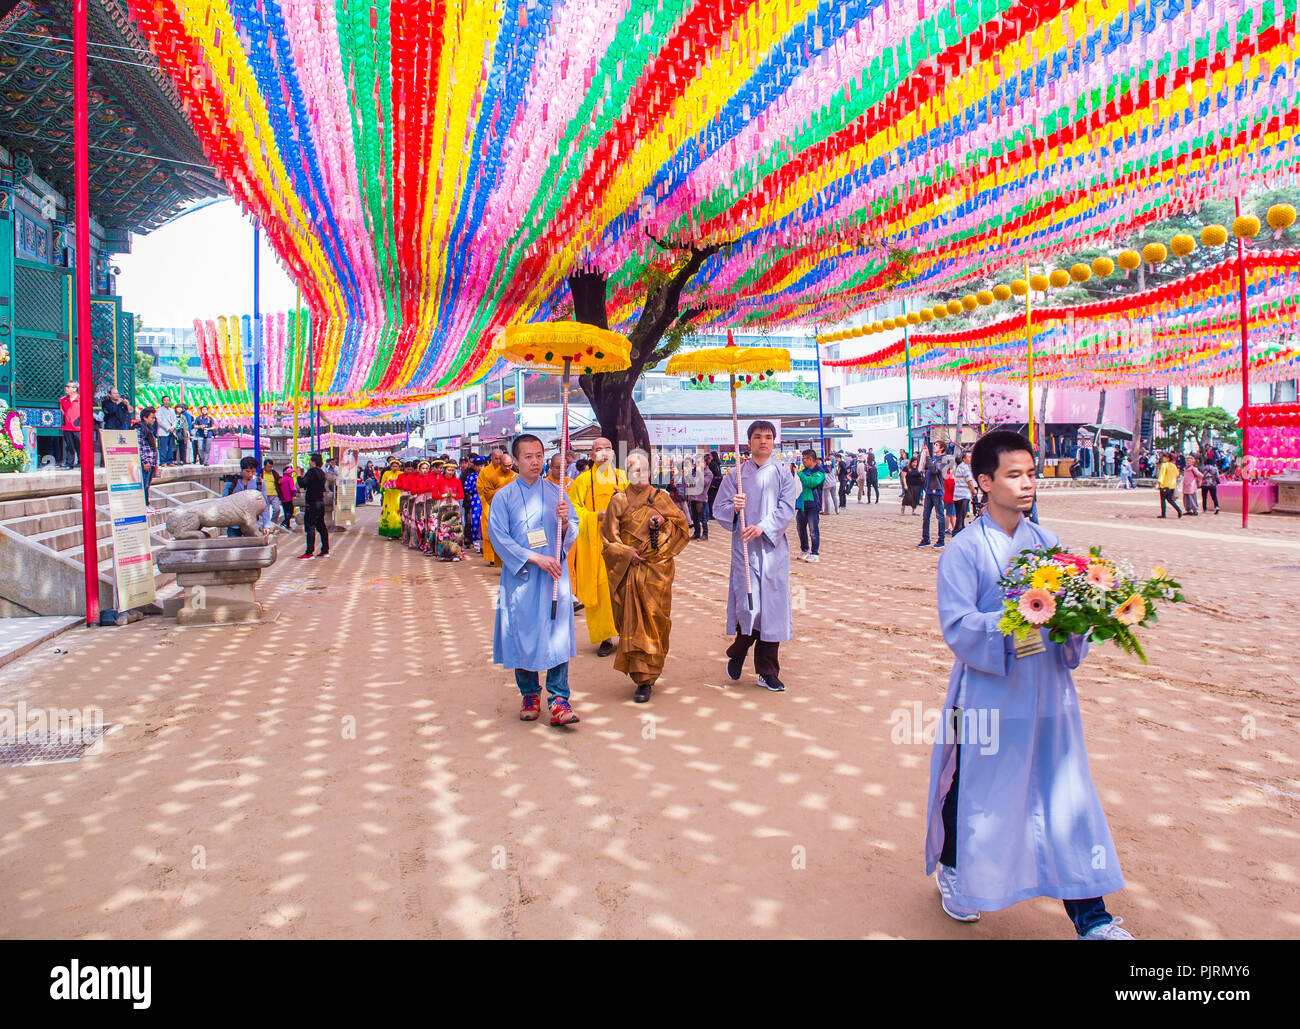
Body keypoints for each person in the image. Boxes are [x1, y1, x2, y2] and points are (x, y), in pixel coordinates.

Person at [926, 430, 1131, 939]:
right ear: (985, 482)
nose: (1027, 485)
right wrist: (1016, 620)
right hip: (989, 692)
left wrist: (1083, 615)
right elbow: (957, 625)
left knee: (1064, 791)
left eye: (1032, 474)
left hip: (1048, 688)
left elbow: (1067, 618)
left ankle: (1093, 918)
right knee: (974, 788)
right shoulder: (963, 551)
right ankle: (953, 869)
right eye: (1014, 475)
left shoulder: (1048, 545)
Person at [489, 434, 582, 727]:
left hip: (554, 576)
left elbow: (573, 530)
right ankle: (529, 693)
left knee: (557, 635)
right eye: (528, 456)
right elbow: (498, 537)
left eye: (539, 455)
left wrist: (566, 522)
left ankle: (558, 698)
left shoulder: (558, 493)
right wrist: (534, 558)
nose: (535, 461)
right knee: (523, 633)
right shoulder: (504, 497)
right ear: (515, 461)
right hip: (524, 578)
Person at [713, 420, 799, 693]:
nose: (763, 441)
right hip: (745, 550)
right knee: (750, 606)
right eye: (758, 436)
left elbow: (787, 508)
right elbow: (719, 509)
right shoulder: (735, 476)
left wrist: (763, 527)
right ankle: (739, 650)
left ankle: (767, 671)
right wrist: (735, 507)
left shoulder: (784, 474)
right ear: (748, 442)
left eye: (768, 437)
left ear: (774, 442)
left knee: (772, 611)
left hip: (773, 549)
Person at [600, 449, 692, 703]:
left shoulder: (661, 498)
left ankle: (650, 675)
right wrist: (627, 552)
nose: (638, 474)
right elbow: (608, 539)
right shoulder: (618, 500)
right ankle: (642, 679)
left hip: (657, 569)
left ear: (651, 472)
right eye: (632, 470)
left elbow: (682, 527)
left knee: (654, 618)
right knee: (632, 620)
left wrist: (663, 522)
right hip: (629, 569)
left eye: (642, 469)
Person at [567, 437, 629, 657]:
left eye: (608, 449)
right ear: (591, 455)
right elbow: (574, 512)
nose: (604, 453)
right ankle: (605, 637)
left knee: (624, 589)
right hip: (594, 544)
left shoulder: (623, 477)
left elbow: (636, 506)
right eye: (598, 449)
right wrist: (597, 516)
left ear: (613, 453)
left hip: (621, 543)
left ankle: (627, 635)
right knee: (601, 592)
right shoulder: (583, 481)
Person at [477, 447, 515, 567]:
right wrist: (498, 493)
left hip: (510, 507)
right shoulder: (486, 472)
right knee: (490, 530)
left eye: (500, 459)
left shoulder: (514, 475)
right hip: (490, 504)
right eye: (497, 458)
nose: (498, 461)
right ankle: (492, 557)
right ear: (491, 458)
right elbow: (482, 488)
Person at [227, 456, 274, 537]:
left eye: (253, 472)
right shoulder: (232, 482)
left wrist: (266, 524)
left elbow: (264, 504)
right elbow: (225, 501)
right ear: (242, 470)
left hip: (253, 524)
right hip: (234, 524)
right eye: (247, 471)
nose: (250, 474)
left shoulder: (259, 483)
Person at [297, 453, 330, 558]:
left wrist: (298, 475)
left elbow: (303, 484)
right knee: (321, 526)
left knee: (310, 527)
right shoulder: (322, 473)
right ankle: (325, 550)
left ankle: (309, 552)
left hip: (312, 503)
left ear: (314, 462)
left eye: (310, 461)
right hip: (320, 502)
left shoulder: (312, 472)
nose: (309, 463)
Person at [795, 449, 824, 563]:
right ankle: (804, 549)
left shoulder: (820, 472)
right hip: (801, 504)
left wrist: (800, 474)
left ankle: (815, 553)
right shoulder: (804, 470)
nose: (803, 461)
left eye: (804, 459)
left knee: (813, 530)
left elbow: (811, 482)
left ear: (810, 459)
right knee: (800, 528)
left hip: (813, 505)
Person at [919, 441, 950, 548]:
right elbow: (923, 466)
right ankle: (925, 538)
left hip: (937, 491)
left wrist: (927, 456)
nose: (934, 447)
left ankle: (941, 540)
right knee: (926, 515)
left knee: (940, 515)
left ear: (941, 448)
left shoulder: (944, 459)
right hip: (928, 490)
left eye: (936, 445)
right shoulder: (933, 458)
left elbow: (934, 470)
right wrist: (924, 454)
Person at [433, 458, 465, 560]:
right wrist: (444, 495)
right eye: (448, 470)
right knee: (444, 530)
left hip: (454, 506)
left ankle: (456, 553)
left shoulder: (457, 481)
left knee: (455, 530)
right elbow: (434, 495)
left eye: (452, 470)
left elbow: (462, 495)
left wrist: (454, 495)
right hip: (443, 506)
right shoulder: (439, 481)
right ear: (444, 470)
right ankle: (443, 553)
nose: (450, 472)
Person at [684, 454, 713, 540]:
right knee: (695, 517)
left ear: (704, 463)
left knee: (702, 517)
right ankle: (696, 533)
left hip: (701, 498)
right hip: (693, 497)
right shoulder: (697, 472)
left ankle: (705, 534)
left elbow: (703, 483)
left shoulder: (708, 473)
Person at [137, 406, 158, 512]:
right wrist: (145, 461)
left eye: (154, 418)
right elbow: (139, 446)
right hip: (145, 461)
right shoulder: (140, 428)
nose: (153, 420)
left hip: (151, 461)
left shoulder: (149, 429)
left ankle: (147, 502)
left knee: (147, 484)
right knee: (144, 483)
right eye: (152, 418)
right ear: (145, 418)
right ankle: (143, 504)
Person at [378, 457, 403, 538]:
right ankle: (389, 532)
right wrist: (384, 488)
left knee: (397, 513)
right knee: (389, 513)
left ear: (399, 467)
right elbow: (382, 483)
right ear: (390, 466)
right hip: (388, 496)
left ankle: (398, 532)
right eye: (393, 466)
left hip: (397, 495)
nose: (394, 468)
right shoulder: (386, 473)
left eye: (396, 466)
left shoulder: (401, 474)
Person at [951, 450, 975, 534]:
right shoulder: (965, 467)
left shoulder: (960, 467)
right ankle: (957, 533)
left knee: (959, 516)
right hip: (963, 495)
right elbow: (969, 481)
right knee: (961, 517)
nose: (970, 459)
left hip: (958, 495)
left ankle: (959, 531)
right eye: (969, 457)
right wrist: (973, 491)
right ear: (964, 459)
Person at [464, 456, 484, 551]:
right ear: (474, 466)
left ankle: (485, 544)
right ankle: (477, 544)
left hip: (486, 502)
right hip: (475, 502)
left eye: (481, 465)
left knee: (484, 522)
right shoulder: (471, 477)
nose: (480, 468)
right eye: (477, 466)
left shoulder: (487, 476)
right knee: (475, 521)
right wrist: (476, 487)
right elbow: (466, 488)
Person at [59, 381, 81, 469]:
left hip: (78, 427)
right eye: (66, 386)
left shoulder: (81, 399)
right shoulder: (63, 400)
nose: (66, 388)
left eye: (68, 387)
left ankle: (81, 462)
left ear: (75, 389)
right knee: (69, 446)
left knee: (80, 445)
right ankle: (69, 463)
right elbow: (62, 411)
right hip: (67, 426)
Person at [1156, 452, 1183, 519]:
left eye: (1164, 457)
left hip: (1164, 485)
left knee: (1163, 500)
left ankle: (1163, 514)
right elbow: (1177, 474)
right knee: (1170, 500)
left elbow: (1161, 475)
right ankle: (1179, 510)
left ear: (1168, 458)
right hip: (1172, 485)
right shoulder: (1173, 465)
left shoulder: (1164, 465)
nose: (1163, 458)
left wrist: (1158, 483)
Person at [261, 458, 284, 528]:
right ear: (264, 466)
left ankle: (273, 522)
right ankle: (267, 524)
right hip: (265, 494)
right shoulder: (260, 473)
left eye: (271, 466)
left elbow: (278, 481)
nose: (270, 468)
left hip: (274, 493)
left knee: (277, 509)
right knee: (266, 511)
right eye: (268, 466)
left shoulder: (274, 473)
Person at [155, 395, 178, 466]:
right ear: (162, 401)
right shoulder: (159, 410)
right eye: (165, 400)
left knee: (171, 447)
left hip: (171, 431)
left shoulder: (172, 410)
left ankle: (170, 461)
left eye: (168, 400)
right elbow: (159, 421)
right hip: (163, 431)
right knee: (163, 447)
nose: (166, 402)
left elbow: (175, 420)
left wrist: (173, 427)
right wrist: (168, 428)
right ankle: (163, 461)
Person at [280, 463, 298, 528]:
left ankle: (287, 525)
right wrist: (295, 494)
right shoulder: (289, 479)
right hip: (289, 498)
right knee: (290, 512)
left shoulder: (282, 479)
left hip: (282, 498)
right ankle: (284, 522)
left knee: (285, 512)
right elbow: (292, 488)